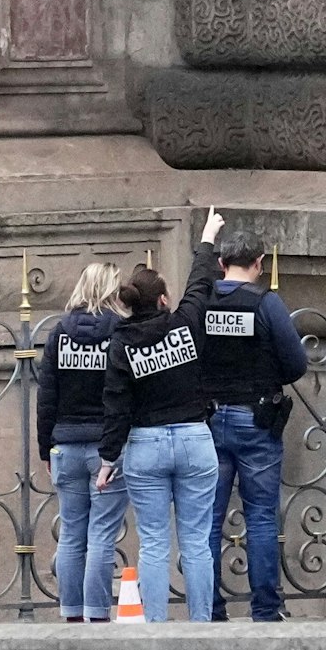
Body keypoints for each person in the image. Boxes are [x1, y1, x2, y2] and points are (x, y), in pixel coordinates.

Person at [97, 211, 226, 622]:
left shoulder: (121, 346)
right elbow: (202, 284)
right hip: (193, 439)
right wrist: (207, 237)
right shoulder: (185, 324)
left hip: (146, 446)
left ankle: (155, 629)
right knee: (196, 541)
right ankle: (201, 625)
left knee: (153, 542)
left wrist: (107, 459)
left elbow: (115, 405)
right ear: (164, 300)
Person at [199, 228, 308, 622]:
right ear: (259, 263)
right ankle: (265, 610)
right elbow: (296, 363)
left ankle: (208, 610)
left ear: (222, 264)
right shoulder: (267, 303)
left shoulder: (204, 300)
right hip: (256, 418)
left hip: (209, 419)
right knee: (261, 517)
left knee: (207, 521)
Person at [38, 262, 129, 623]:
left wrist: (45, 447)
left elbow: (47, 398)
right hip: (106, 449)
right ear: (112, 290)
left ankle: (71, 614)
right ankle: (97, 615)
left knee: (73, 533)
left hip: (66, 445)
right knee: (102, 534)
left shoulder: (59, 334)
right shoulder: (120, 334)